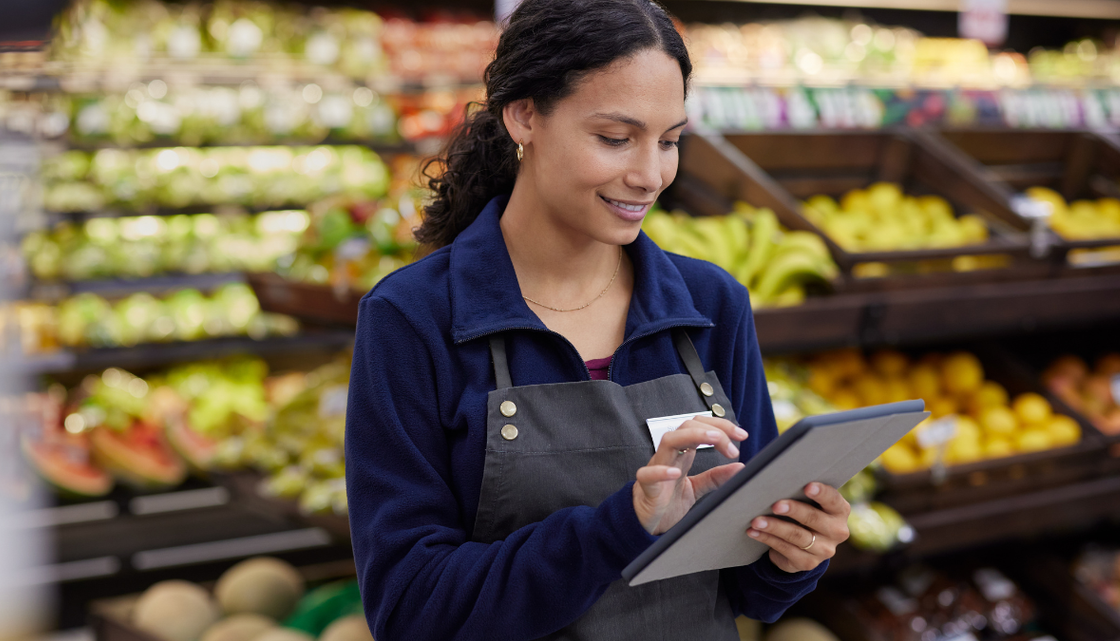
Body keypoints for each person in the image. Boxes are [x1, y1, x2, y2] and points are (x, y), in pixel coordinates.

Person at [344, 0, 851, 638]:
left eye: (669, 141)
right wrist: (622, 525)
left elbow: (750, 591)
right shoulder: (412, 320)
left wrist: (794, 551)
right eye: (615, 138)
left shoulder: (711, 305)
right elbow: (409, 609)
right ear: (524, 115)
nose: (649, 175)